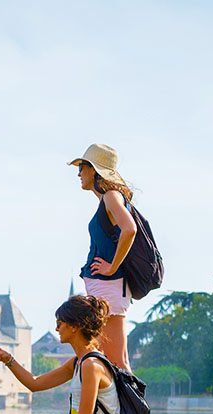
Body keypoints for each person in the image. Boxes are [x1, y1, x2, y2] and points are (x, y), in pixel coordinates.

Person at [69, 143, 137, 369]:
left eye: (82, 167)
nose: (79, 173)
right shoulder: (107, 200)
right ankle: (117, 405)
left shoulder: (111, 196)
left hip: (108, 285)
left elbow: (130, 229)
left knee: (116, 360)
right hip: (106, 287)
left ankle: (132, 406)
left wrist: (111, 266)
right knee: (112, 357)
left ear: (95, 170)